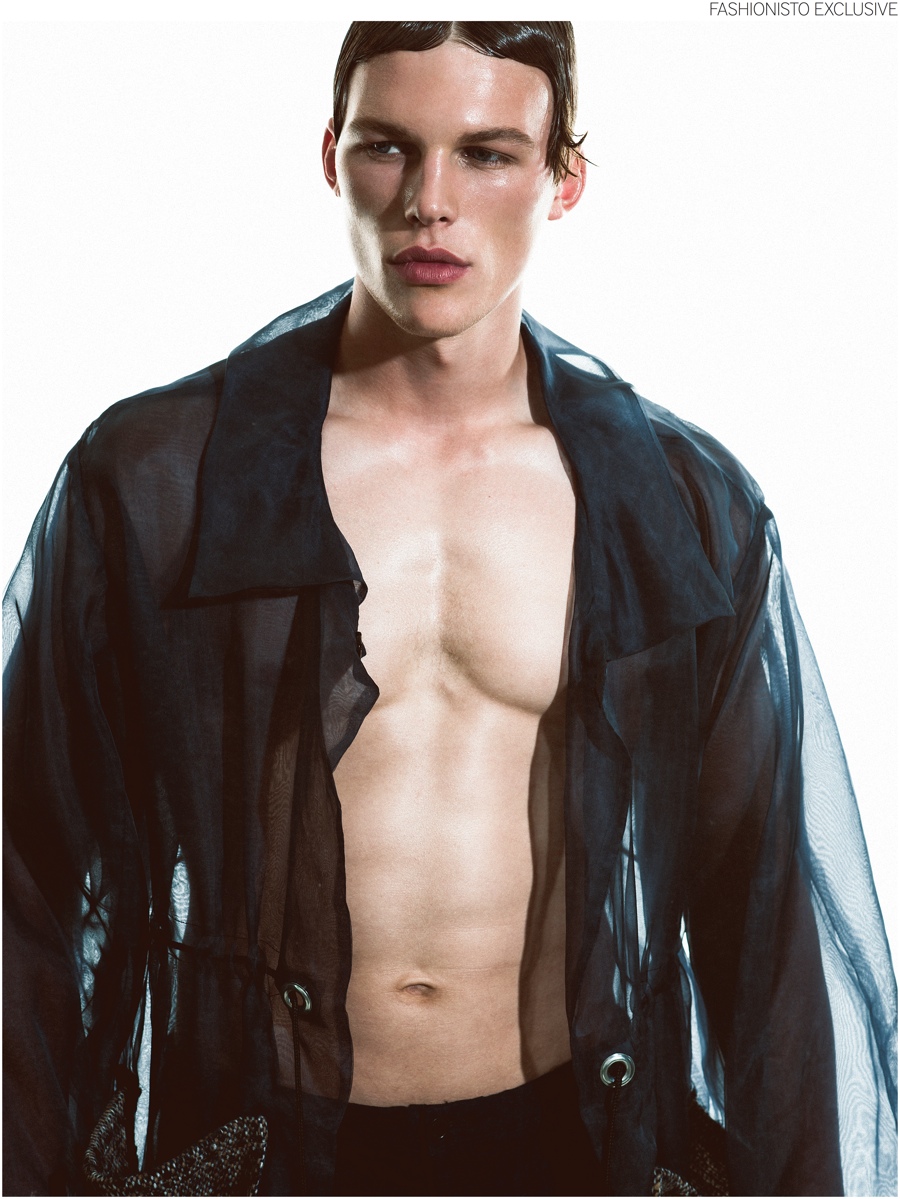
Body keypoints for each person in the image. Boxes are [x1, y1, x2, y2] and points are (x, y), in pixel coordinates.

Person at [3, 20, 895, 1198]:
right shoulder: (159, 479)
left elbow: (759, 919)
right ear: (330, 155)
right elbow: (23, 875)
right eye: (388, 147)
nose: (431, 201)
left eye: (486, 153)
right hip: (270, 1148)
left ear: (565, 179)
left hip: (568, 1146)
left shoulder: (675, 502)